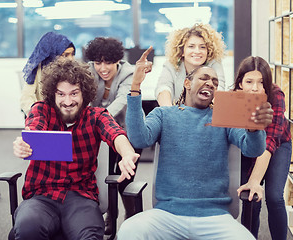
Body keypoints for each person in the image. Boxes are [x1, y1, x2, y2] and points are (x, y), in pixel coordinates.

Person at [117, 47, 274, 240]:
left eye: (215, 82)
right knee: (128, 231)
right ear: (187, 83)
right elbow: (139, 139)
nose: (210, 83)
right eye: (204, 78)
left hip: (215, 217)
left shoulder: (224, 117)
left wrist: (254, 127)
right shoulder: (164, 114)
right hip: (167, 215)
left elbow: (253, 149)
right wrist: (135, 86)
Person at [12, 58, 139, 240]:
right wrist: (24, 143)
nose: (68, 101)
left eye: (74, 94)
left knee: (90, 235)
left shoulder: (96, 116)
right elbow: (33, 127)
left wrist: (126, 153)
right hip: (41, 196)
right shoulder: (42, 110)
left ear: (84, 94)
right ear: (53, 95)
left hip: (80, 196)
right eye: (61, 94)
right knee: (27, 230)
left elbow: (115, 134)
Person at [84, 36, 140, 234]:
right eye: (98, 62)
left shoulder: (129, 73)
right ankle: (110, 215)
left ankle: (130, 213)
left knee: (123, 176)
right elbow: (85, 100)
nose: (103, 68)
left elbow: (120, 102)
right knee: (101, 174)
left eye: (108, 62)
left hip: (126, 128)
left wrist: (95, 118)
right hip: (98, 129)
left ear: (117, 59)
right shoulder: (88, 71)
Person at [234, 56, 292, 240]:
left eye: (261, 82)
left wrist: (255, 180)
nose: (255, 88)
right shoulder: (234, 98)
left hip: (278, 144)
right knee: (251, 199)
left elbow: (270, 142)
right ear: (240, 83)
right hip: (249, 145)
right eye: (249, 81)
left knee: (274, 197)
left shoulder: (276, 96)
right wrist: (252, 184)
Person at [155, 23, 226, 106]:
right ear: (182, 51)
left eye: (202, 47)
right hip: (178, 113)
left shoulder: (214, 63)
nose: (197, 51)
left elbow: (219, 88)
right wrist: (169, 113)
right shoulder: (172, 65)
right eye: (191, 46)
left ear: (208, 51)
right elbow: (163, 87)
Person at [20, 31, 75, 116]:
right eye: (65, 55)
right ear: (52, 55)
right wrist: (39, 114)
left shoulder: (75, 71)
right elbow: (25, 99)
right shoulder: (37, 70)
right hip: (44, 116)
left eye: (72, 54)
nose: (71, 59)